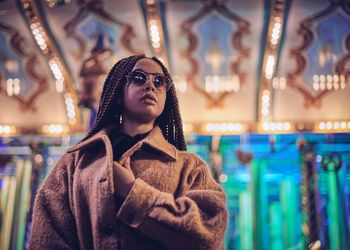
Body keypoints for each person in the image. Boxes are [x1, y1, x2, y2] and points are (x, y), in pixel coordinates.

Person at [29, 54, 228, 250]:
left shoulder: (190, 166)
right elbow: (47, 237)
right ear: (117, 93)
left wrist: (133, 192)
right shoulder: (74, 163)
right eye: (139, 78)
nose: (150, 86)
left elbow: (209, 232)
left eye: (159, 81)